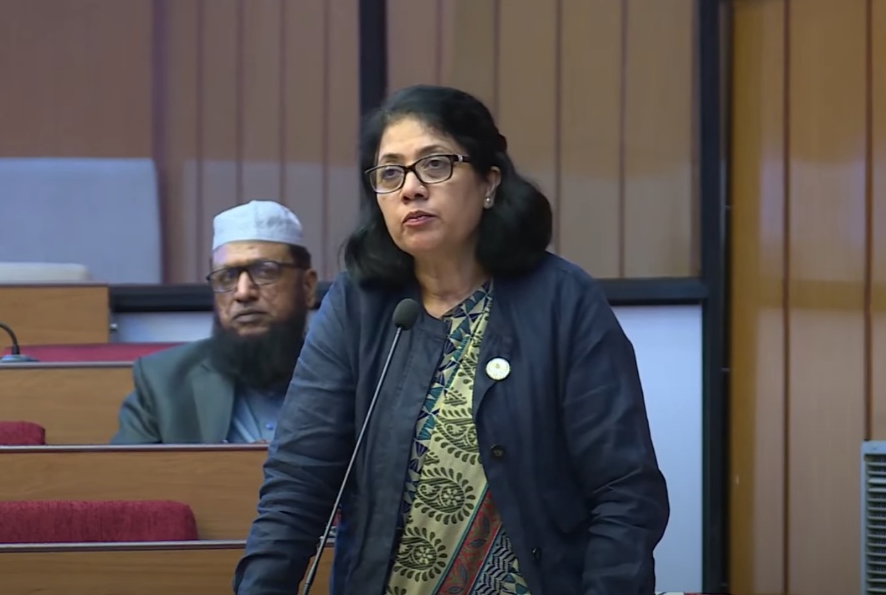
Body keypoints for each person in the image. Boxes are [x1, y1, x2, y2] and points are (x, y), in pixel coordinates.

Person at [233, 85, 669, 594]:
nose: (411, 189)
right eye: (390, 173)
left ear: (489, 182)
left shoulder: (562, 300)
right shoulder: (359, 305)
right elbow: (299, 480)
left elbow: (625, 491)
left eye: (435, 165)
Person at [111, 200, 318, 445]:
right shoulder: (163, 382)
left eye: (265, 271)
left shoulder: (348, 377)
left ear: (307, 287)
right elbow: (127, 470)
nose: (243, 292)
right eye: (227, 276)